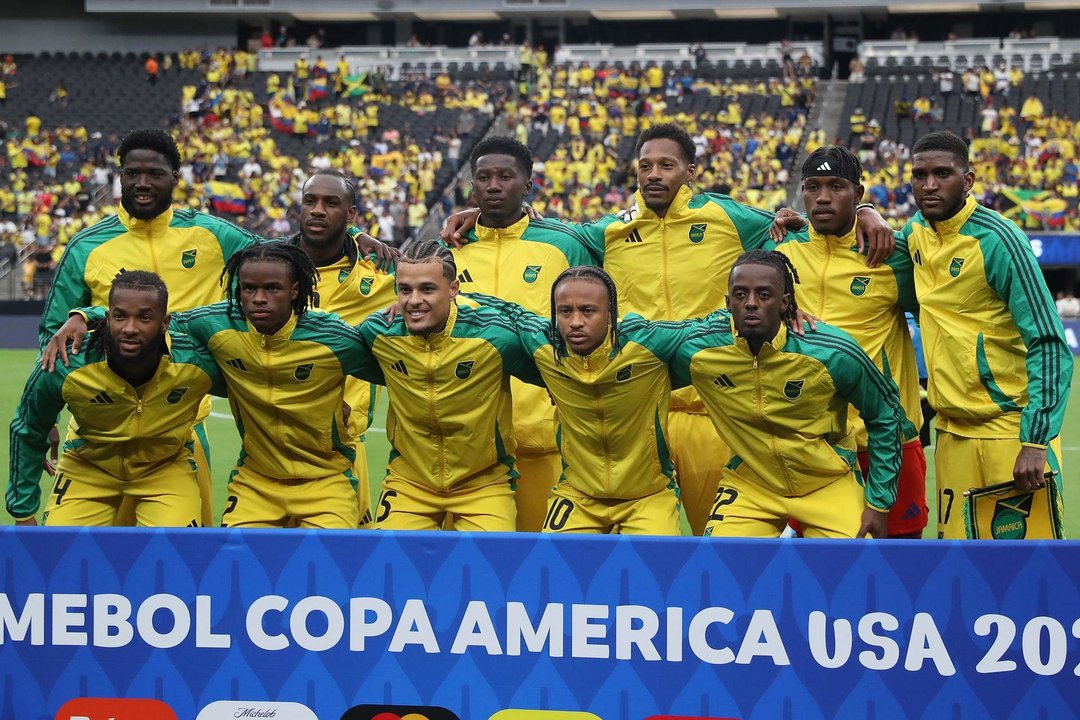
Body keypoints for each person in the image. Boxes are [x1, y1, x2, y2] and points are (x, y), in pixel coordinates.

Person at [443, 123, 896, 536]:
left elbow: (794, 236)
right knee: (630, 528)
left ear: (690, 171)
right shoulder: (607, 232)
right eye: (645, 166)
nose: (654, 174)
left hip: (711, 409)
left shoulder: (730, 218)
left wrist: (866, 211)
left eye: (666, 165)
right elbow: (532, 228)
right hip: (637, 407)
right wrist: (476, 214)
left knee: (712, 543)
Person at [41, 129, 394, 526]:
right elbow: (53, 335)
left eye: (155, 173)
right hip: (98, 423)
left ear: (175, 176)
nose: (142, 183)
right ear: (118, 176)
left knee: (178, 556)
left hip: (181, 424)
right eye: (132, 173)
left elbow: (279, 256)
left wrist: (352, 233)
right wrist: (47, 417)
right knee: (77, 550)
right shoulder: (86, 246)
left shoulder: (211, 234)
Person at [901, 131, 1072, 538]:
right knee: (954, 566)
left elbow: (1048, 341)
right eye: (919, 175)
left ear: (968, 179)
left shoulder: (999, 240)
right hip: (951, 432)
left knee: (1030, 572)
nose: (929, 185)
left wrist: (1035, 440)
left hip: (1009, 432)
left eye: (942, 173)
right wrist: (868, 209)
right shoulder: (914, 236)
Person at [669, 251, 905, 538]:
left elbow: (885, 414)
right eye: (740, 295)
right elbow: (635, 338)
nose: (751, 303)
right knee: (720, 570)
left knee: (853, 572)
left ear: (784, 302)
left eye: (764, 294)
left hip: (827, 483)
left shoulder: (833, 353)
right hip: (750, 482)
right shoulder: (699, 349)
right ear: (728, 303)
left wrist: (879, 504)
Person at [443, 136, 601, 532]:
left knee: (543, 563)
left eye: (505, 176)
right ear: (472, 186)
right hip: (466, 444)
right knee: (464, 568)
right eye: (484, 177)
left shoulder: (564, 246)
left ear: (527, 185)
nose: (493, 186)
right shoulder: (448, 250)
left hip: (543, 438)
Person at [770, 146, 927, 538]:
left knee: (902, 577)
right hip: (815, 444)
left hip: (887, 441)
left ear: (857, 193)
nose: (822, 197)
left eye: (836, 186)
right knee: (822, 582)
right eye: (812, 187)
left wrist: (871, 212)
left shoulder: (890, 255)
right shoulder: (781, 254)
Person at [469, 267, 684, 535]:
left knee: (652, 575)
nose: (575, 322)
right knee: (553, 571)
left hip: (648, 495)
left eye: (588, 310)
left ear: (609, 315)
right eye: (565, 311)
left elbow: (705, 329)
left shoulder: (648, 343)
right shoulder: (543, 343)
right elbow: (510, 310)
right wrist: (436, 299)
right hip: (578, 495)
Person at [8, 271, 223, 527]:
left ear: (164, 322)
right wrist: (23, 512)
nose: (130, 328)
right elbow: (28, 429)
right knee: (61, 558)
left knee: (174, 558)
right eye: (120, 316)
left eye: (144, 317)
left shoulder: (195, 361)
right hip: (87, 468)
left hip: (166, 468)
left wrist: (83, 314)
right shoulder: (70, 361)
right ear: (108, 318)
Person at [359, 241, 542, 532]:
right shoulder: (379, 332)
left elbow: (554, 369)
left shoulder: (493, 336)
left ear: (454, 289)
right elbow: (329, 358)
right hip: (409, 483)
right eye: (405, 290)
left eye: (427, 289)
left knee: (490, 573)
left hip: (484, 484)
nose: (414, 300)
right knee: (389, 569)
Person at [290, 169, 397, 526]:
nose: (318, 210)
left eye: (331, 203)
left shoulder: (383, 278)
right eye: (310, 201)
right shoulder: (268, 273)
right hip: (267, 448)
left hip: (343, 449)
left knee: (341, 573)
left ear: (350, 214)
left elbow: (443, 278)